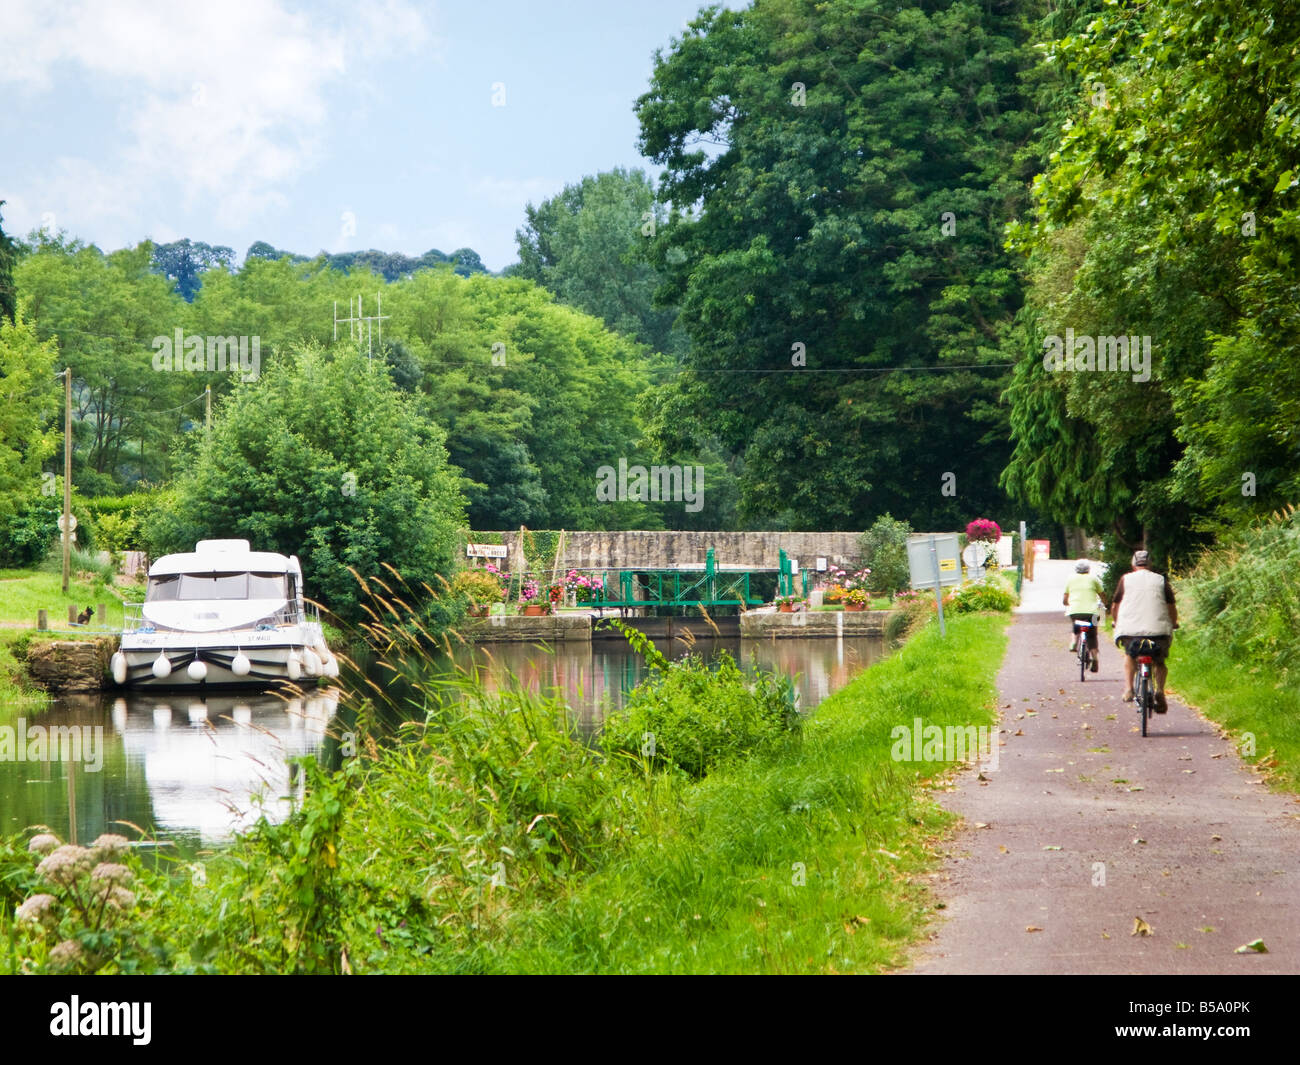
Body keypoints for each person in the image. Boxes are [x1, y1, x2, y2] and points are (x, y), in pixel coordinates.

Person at [1110, 549, 1178, 712]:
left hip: (1130, 630)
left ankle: (1128, 688)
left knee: (1130, 655)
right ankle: (1160, 691)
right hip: (1158, 630)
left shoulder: (1125, 579)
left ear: (1133, 564)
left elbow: (1115, 605)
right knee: (1160, 662)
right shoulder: (1161, 580)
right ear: (1150, 564)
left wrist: (1116, 621)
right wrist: (1173, 623)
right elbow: (1171, 606)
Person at [1063, 560, 1107, 671]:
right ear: (1088, 569)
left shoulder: (1070, 579)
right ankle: (1095, 659)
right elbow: (1102, 595)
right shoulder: (1093, 579)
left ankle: (1073, 642)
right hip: (1093, 612)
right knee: (1092, 635)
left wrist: (1067, 604)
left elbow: (1065, 599)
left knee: (1076, 626)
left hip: (1075, 611)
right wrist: (1105, 602)